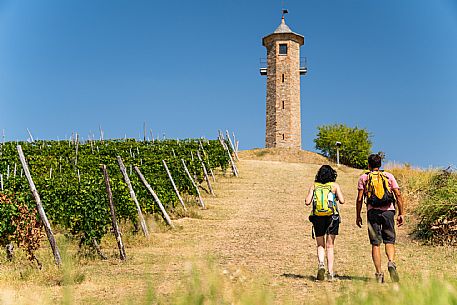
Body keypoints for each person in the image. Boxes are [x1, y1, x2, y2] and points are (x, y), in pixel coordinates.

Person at [356, 154, 405, 283]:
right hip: (388, 212)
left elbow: (360, 198)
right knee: (389, 240)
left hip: (372, 213)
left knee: (375, 243)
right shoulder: (389, 176)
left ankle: (378, 274)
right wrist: (401, 213)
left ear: (368, 165)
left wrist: (358, 215)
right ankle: (391, 262)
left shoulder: (364, 178)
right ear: (380, 164)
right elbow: (398, 195)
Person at [305, 165, 345, 281]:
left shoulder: (314, 186)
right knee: (330, 246)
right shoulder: (334, 186)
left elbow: (307, 202)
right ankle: (330, 273)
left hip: (317, 217)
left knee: (320, 244)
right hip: (333, 217)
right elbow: (342, 201)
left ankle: (321, 264)